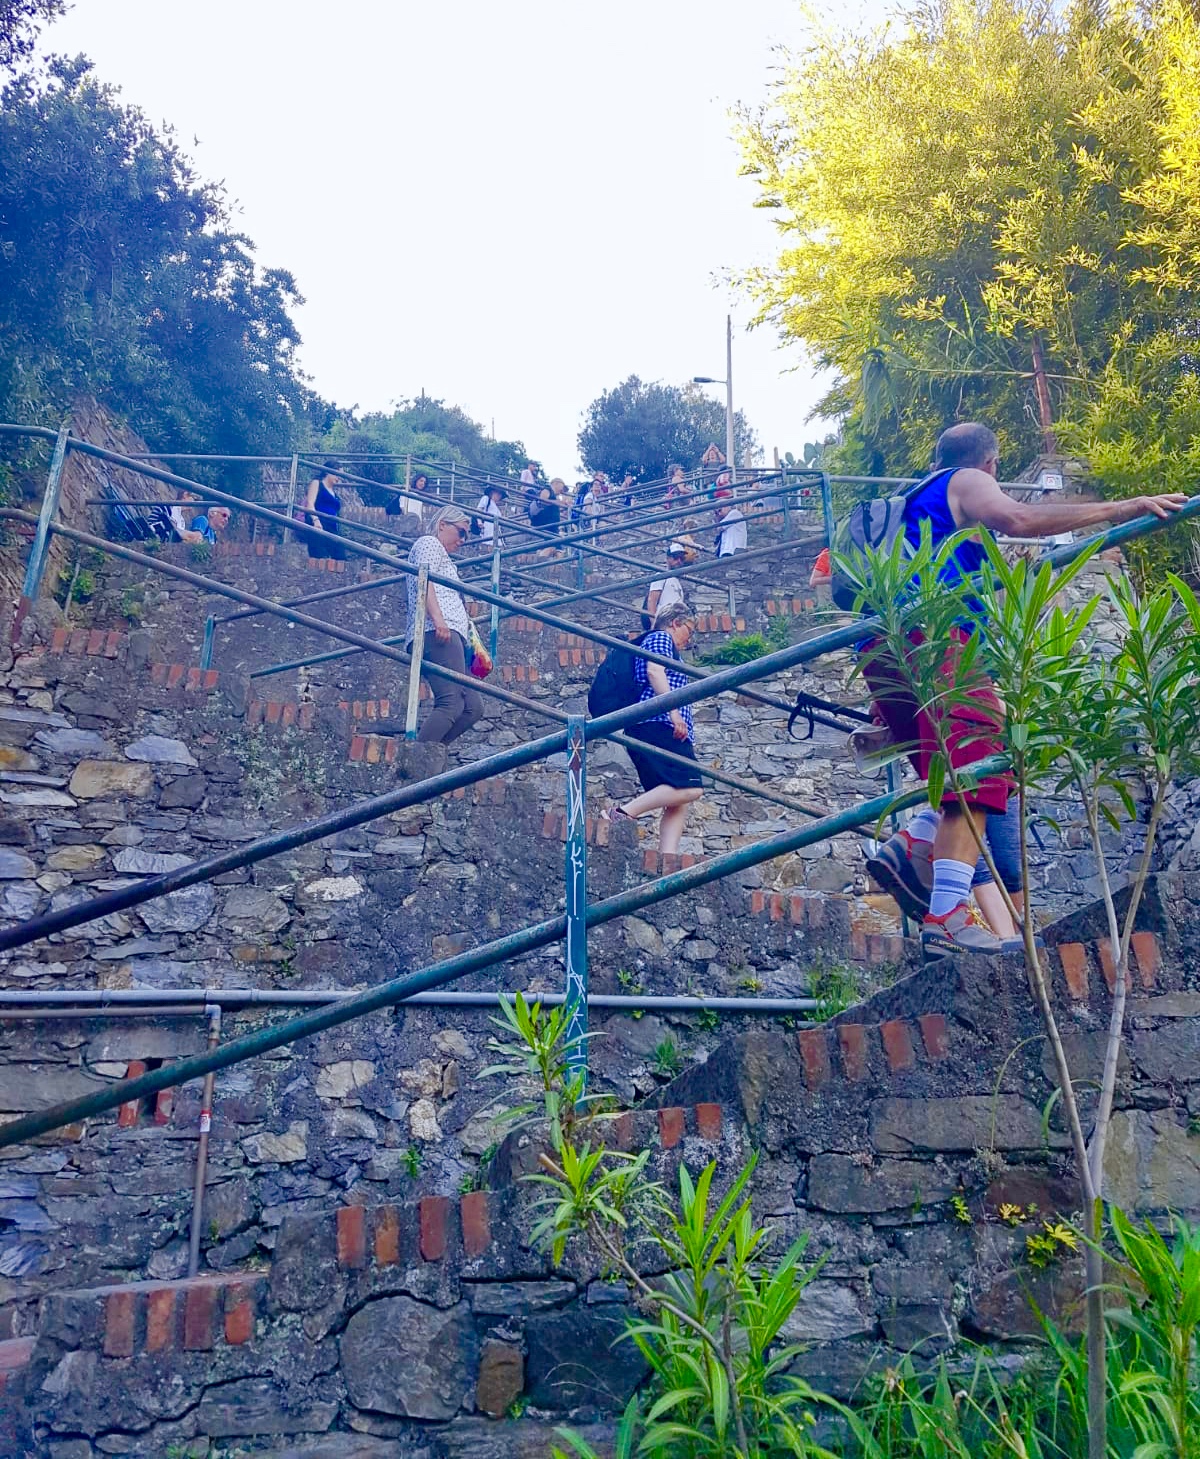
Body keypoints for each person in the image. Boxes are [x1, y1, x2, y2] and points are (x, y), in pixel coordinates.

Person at [861, 420, 1186, 960]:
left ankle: (917, 841)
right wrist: (1122, 508)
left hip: (886, 645)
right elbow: (1019, 518)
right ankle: (945, 915)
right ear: (990, 463)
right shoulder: (965, 481)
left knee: (961, 775)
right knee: (983, 768)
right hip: (937, 636)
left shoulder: (914, 504)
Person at [602, 603, 703, 856]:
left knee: (678, 798)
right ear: (675, 623)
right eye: (688, 631)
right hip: (660, 724)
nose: (688, 639)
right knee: (692, 788)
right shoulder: (660, 637)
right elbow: (655, 671)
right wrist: (674, 713)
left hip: (657, 725)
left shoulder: (662, 642)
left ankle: (667, 860)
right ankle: (621, 813)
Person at [402, 506, 483, 745]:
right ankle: (416, 759)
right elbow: (424, 579)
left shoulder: (442, 555)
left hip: (450, 633)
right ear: (442, 525)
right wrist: (438, 619)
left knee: (473, 708)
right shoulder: (429, 543)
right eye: (461, 532)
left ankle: (431, 755)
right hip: (436, 631)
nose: (463, 540)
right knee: (451, 703)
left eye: (466, 535)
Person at [642, 538, 695, 629]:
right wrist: (654, 624)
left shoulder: (676, 580)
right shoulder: (661, 576)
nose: (679, 561)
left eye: (682, 558)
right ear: (668, 558)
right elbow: (652, 601)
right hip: (663, 623)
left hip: (674, 624)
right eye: (675, 557)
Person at [303, 461, 346, 560]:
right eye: (337, 474)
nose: (339, 478)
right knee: (320, 555)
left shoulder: (334, 492)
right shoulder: (317, 483)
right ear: (328, 472)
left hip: (332, 526)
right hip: (319, 523)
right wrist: (315, 520)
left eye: (341, 476)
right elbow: (310, 503)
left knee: (340, 556)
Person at [713, 490, 747, 556]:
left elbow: (720, 527)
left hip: (733, 550)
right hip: (728, 550)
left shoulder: (735, 513)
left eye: (720, 510)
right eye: (717, 513)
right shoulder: (728, 517)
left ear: (726, 506)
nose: (719, 514)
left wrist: (717, 518)